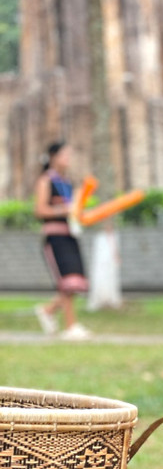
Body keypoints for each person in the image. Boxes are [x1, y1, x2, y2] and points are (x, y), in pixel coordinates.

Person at [33, 141, 91, 340]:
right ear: (53, 157)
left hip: (71, 234)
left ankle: (48, 311)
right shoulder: (46, 180)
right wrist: (63, 210)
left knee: (76, 282)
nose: (68, 159)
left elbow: (76, 209)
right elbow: (39, 210)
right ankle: (70, 326)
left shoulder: (68, 183)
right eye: (64, 155)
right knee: (66, 283)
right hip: (55, 237)